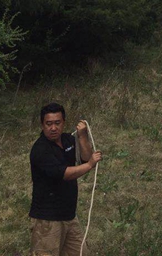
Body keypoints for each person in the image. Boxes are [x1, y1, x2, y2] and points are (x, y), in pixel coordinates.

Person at [29, 102, 102, 256]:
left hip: (69, 215)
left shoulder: (68, 140)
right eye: (49, 124)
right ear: (42, 125)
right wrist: (89, 165)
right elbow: (65, 173)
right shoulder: (40, 150)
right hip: (47, 220)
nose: (53, 128)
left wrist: (82, 136)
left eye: (57, 123)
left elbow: (86, 157)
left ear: (63, 123)